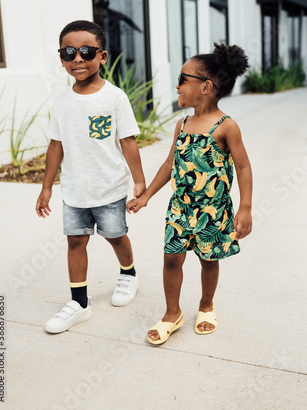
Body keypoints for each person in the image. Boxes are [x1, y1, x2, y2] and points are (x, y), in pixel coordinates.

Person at [127, 43, 252, 345]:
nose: (177, 85)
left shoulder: (226, 127)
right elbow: (170, 163)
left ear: (206, 86)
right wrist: (146, 196)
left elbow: (244, 167)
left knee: (209, 260)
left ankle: (206, 305)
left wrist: (245, 208)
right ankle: (172, 313)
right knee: (172, 259)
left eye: (183, 78)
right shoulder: (182, 124)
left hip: (213, 210)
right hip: (180, 209)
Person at [36, 20, 145, 334]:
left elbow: (128, 141)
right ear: (61, 57)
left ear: (103, 56)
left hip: (109, 188)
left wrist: (139, 181)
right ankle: (79, 303)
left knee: (115, 235)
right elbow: (56, 145)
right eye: (69, 52)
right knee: (75, 242)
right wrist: (46, 186)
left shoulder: (114, 98)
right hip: (74, 189)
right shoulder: (61, 102)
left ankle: (128, 274)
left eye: (86, 51)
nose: (78, 59)